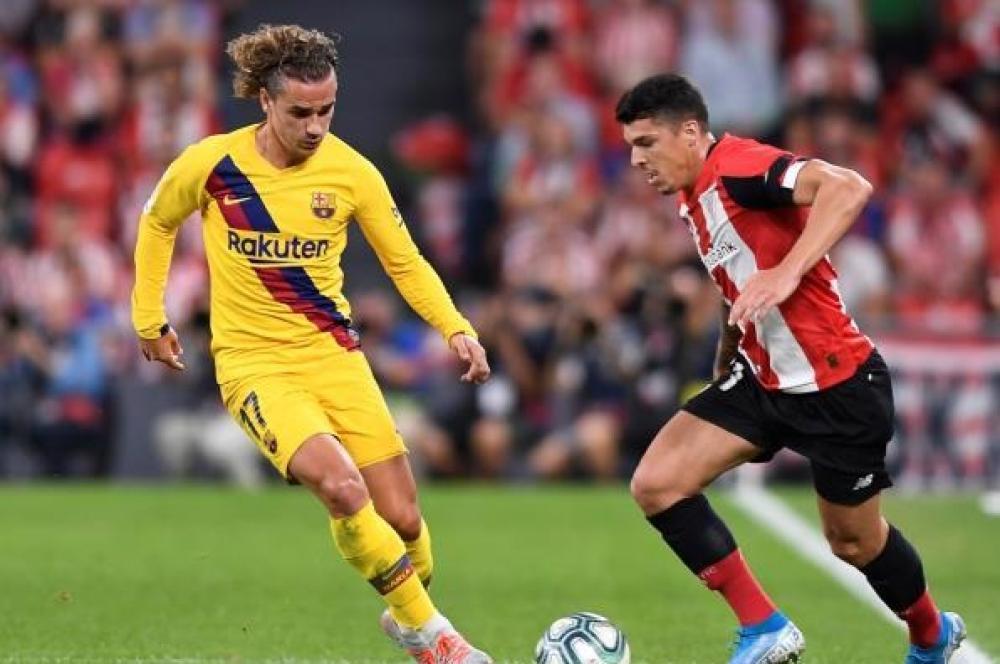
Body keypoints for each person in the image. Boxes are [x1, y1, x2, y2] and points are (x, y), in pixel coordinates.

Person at [131, 24, 493, 664]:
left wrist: (455, 327)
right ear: (265, 101)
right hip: (254, 366)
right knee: (343, 489)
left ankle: (408, 615)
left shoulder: (352, 172)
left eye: (327, 110)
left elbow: (404, 261)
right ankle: (438, 642)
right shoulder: (213, 163)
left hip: (335, 357)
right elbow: (158, 220)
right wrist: (148, 319)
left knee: (404, 521)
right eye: (301, 112)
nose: (316, 126)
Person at [615, 73, 966, 664]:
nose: (635, 160)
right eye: (631, 146)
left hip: (836, 383)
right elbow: (738, 280)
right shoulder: (692, 196)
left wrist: (788, 272)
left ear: (691, 133)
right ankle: (765, 627)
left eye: (646, 143)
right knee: (658, 484)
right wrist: (727, 352)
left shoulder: (740, 166)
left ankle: (933, 634)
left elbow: (848, 187)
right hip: (761, 377)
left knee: (854, 543)